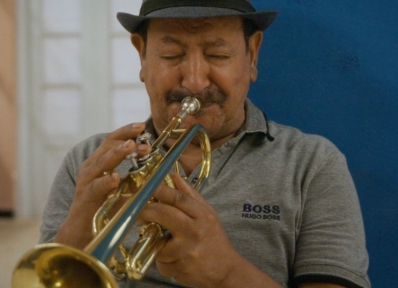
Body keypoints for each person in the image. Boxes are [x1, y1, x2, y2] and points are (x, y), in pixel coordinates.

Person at [39, 0, 370, 287]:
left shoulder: (313, 164)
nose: (194, 81)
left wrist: (226, 275)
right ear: (141, 56)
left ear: (252, 55)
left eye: (217, 54)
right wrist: (73, 241)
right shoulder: (90, 160)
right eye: (171, 54)